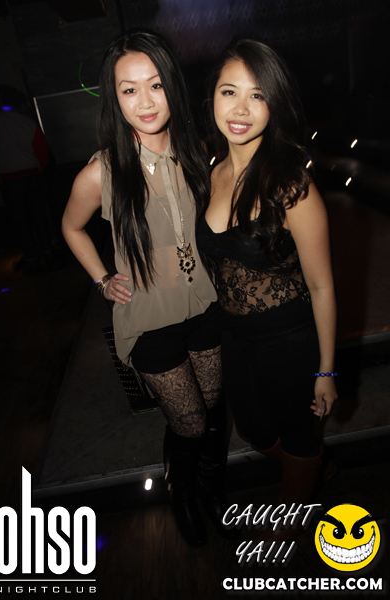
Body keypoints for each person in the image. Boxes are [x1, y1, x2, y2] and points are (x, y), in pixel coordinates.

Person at [62, 29, 235, 546]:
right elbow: (71, 227)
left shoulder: (197, 150)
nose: (145, 101)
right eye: (129, 89)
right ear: (114, 98)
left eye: (155, 84)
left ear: (172, 85)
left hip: (206, 306)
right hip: (151, 320)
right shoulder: (101, 171)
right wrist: (101, 279)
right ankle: (181, 492)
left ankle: (209, 484)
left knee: (212, 412)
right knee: (188, 422)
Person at [197, 39, 338, 539]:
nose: (240, 109)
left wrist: (326, 370)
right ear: (212, 97)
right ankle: (311, 465)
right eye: (229, 92)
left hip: (290, 337)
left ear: (274, 103)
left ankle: (290, 523)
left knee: (297, 435)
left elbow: (321, 285)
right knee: (255, 431)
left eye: (257, 95)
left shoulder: (291, 185)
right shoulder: (211, 173)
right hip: (234, 335)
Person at [0, 85, 57, 271]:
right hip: (32, 173)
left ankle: (31, 256)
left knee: (20, 218)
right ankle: (47, 250)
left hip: (10, 176)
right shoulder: (27, 121)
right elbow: (42, 150)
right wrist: (39, 169)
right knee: (39, 214)